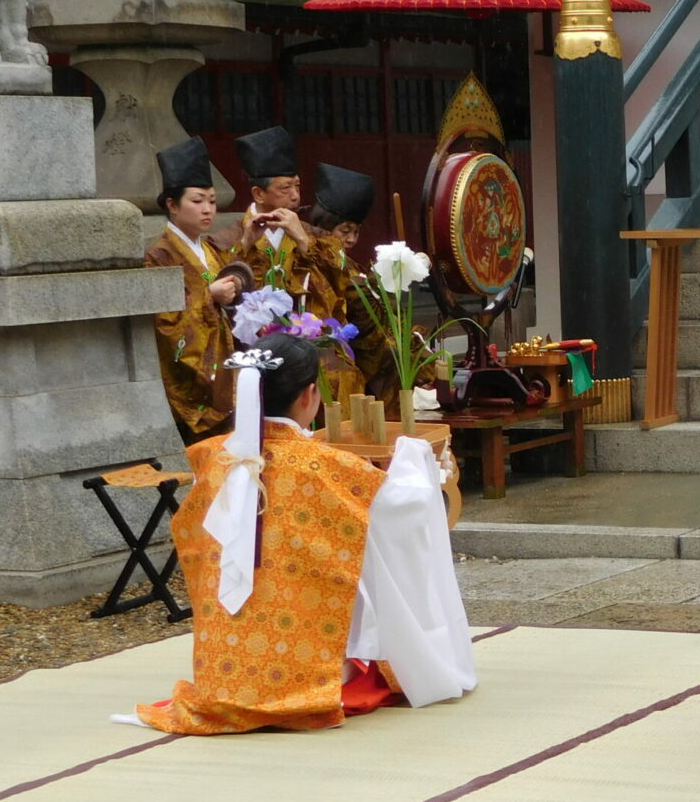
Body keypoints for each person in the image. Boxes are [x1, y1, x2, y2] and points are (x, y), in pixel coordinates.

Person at [119, 332, 473, 735]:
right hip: (306, 677)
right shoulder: (328, 467)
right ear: (309, 396)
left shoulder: (213, 457)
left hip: (222, 674)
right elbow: (406, 510)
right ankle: (306, 679)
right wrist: (419, 460)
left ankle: (237, 678)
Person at [145, 136, 256, 442]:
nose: (208, 209)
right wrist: (210, 296)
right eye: (197, 201)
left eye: (211, 200)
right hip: (195, 380)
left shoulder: (209, 249)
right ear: (172, 205)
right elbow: (165, 323)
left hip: (224, 365)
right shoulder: (159, 255)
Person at [304, 162, 399, 402]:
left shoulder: (352, 267)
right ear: (324, 225)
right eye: (344, 231)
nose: (351, 239)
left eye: (356, 232)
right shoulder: (310, 258)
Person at [212, 126, 321, 304]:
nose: (295, 196)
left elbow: (335, 288)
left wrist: (303, 241)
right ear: (258, 194)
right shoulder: (223, 239)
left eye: (297, 186)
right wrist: (245, 245)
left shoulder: (315, 236)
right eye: (286, 188)